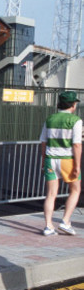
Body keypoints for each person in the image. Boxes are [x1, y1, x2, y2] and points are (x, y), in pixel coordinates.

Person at [41, 90, 82, 236]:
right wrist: (77, 166)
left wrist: (43, 160)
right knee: (75, 190)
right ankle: (65, 221)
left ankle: (48, 226)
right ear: (72, 104)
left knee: (51, 194)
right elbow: (77, 145)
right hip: (67, 160)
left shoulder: (50, 119)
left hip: (50, 159)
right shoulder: (76, 120)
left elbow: (43, 142)